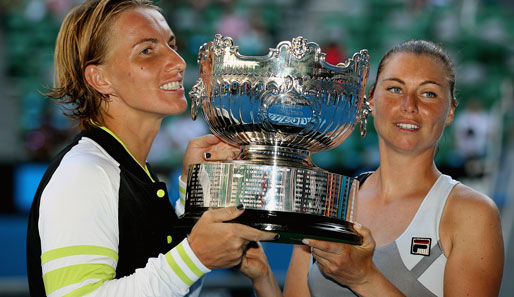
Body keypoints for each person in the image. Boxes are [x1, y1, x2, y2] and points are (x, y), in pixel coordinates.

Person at [26, 1, 276, 296]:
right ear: (100, 78)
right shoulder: (85, 173)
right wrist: (195, 257)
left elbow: (173, 286)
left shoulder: (131, 171)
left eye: (171, 44)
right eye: (147, 50)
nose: (178, 61)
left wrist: (191, 192)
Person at [238, 40, 504, 297]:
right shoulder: (326, 202)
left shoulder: (472, 214)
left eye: (428, 93)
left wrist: (364, 278)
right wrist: (263, 278)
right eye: (395, 89)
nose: (409, 105)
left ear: (450, 112)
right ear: (371, 101)